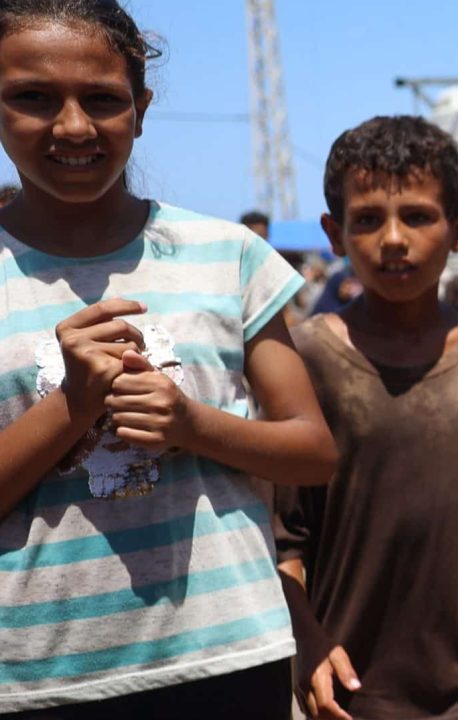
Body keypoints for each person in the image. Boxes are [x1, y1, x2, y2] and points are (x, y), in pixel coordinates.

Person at [0, 2, 337, 716]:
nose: (72, 127)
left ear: (141, 109)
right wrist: (72, 408)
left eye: (102, 100)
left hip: (226, 656)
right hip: (40, 677)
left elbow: (313, 453)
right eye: (32, 97)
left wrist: (191, 424)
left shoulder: (229, 256)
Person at [274, 115, 458, 720]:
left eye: (416, 216)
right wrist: (309, 646)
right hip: (355, 683)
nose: (392, 239)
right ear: (334, 234)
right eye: (367, 219)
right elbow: (282, 546)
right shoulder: (303, 356)